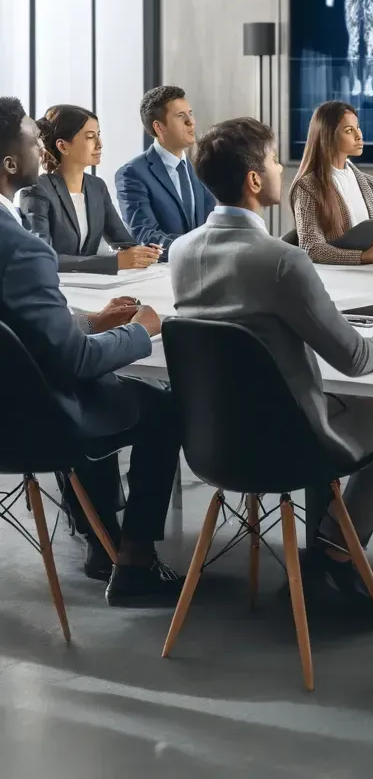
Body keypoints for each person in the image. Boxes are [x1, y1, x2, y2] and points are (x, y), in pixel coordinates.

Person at [171, 117, 373, 610]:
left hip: (214, 443)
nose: (279, 167)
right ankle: (336, 548)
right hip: (292, 441)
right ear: (252, 181)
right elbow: (352, 357)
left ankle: (330, 542)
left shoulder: (182, 252)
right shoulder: (283, 261)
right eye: (271, 160)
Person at [0, 97, 184, 604]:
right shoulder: (23, 246)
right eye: (29, 137)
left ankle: (102, 539)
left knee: (100, 385)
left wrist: (90, 321)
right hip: (33, 420)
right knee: (161, 402)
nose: (40, 145)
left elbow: (18, 322)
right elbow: (73, 360)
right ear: (9, 162)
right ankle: (135, 563)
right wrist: (142, 330)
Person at [21, 104, 161, 274]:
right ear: (63, 146)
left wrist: (145, 252)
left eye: (98, 135)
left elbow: (123, 241)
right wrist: (113, 262)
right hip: (55, 286)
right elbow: (42, 257)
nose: (99, 144)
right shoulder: (37, 190)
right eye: (89, 137)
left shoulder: (97, 186)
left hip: (91, 285)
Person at [290, 101, 373, 267]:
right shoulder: (307, 186)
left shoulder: (372, 184)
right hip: (339, 283)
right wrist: (361, 257)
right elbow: (311, 248)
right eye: (349, 130)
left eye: (358, 127)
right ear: (328, 135)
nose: (359, 135)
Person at [115, 86, 216, 257]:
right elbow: (144, 235)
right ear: (159, 127)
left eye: (190, 113)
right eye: (180, 116)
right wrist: (198, 250)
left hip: (207, 268)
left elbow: (213, 224)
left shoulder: (201, 167)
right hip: (162, 273)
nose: (191, 122)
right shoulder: (132, 174)